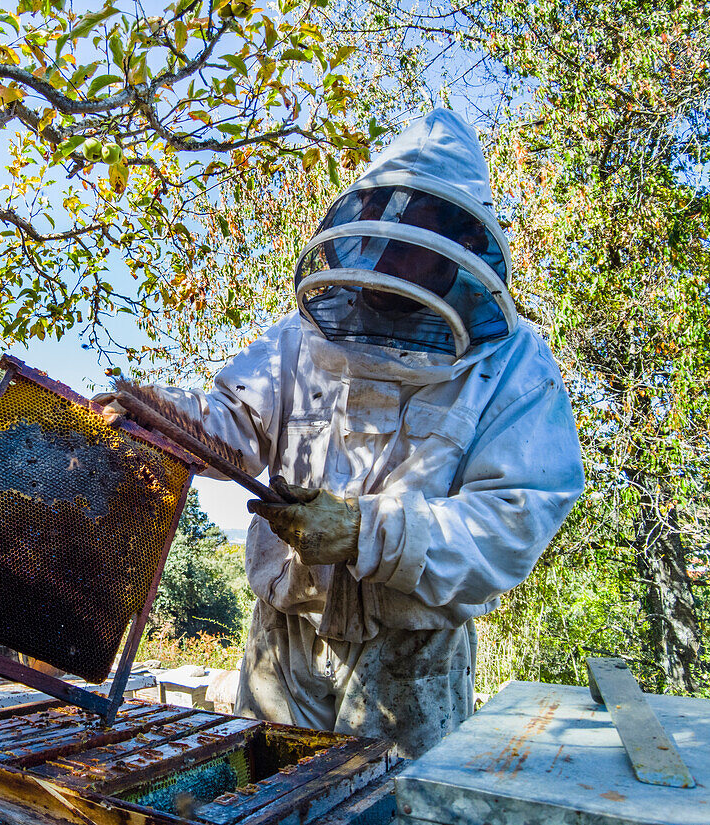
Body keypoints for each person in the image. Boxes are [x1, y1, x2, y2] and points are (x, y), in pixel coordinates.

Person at [102, 109, 585, 757]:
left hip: (407, 656)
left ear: (460, 240)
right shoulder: (306, 332)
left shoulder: (515, 364)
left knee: (380, 809)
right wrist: (171, 420)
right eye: (390, 227)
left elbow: (512, 519)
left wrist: (367, 532)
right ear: (367, 220)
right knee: (254, 794)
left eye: (422, 236)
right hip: (283, 635)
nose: (396, 255)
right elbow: (235, 420)